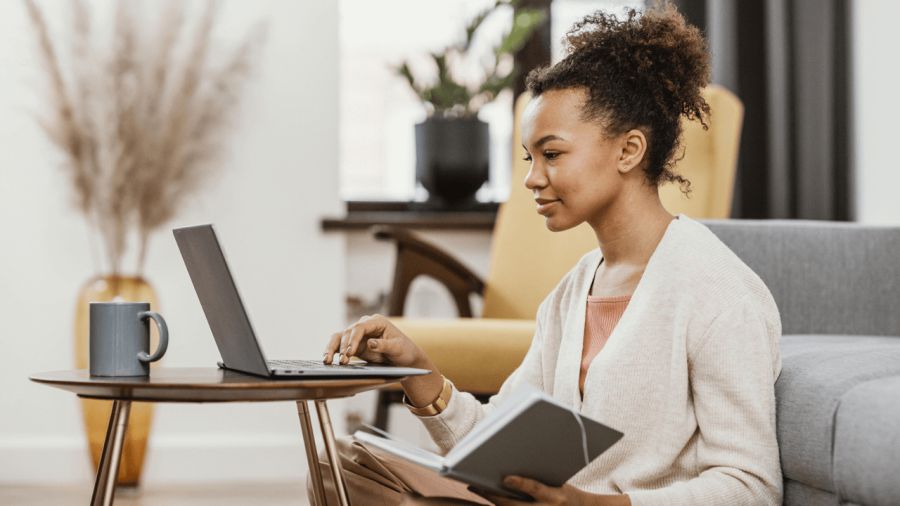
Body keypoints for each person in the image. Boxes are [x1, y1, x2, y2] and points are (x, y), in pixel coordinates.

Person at [314, 4, 783, 505]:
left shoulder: (719, 291)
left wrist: (596, 505)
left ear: (629, 151)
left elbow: (750, 485)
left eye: (552, 154)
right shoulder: (574, 290)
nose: (533, 179)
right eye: (528, 159)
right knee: (338, 466)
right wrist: (417, 370)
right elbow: (498, 444)